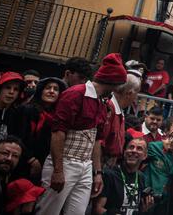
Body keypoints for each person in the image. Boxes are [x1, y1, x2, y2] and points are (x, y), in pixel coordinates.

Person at [36, 53, 127, 215]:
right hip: (65, 162)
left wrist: (97, 172)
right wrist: (58, 170)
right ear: (112, 82)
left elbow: (96, 140)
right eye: (117, 85)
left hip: (85, 166)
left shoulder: (100, 101)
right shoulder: (75, 94)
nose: (116, 90)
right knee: (48, 211)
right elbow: (58, 132)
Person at [97, 135, 152, 215]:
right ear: (124, 152)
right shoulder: (109, 175)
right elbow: (97, 208)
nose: (134, 151)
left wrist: (145, 208)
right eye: (131, 147)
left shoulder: (141, 177)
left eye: (139, 148)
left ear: (145, 156)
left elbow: (138, 209)